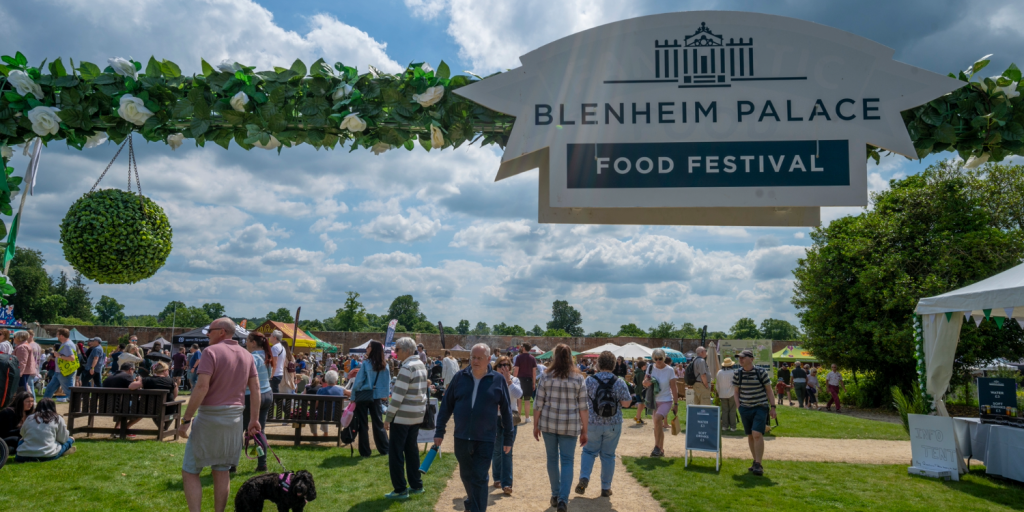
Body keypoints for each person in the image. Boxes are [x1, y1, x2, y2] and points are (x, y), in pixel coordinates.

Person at [177, 318, 261, 512]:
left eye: (210, 330)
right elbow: (255, 388)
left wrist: (186, 419)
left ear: (222, 332)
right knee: (222, 471)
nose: (207, 334)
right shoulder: (247, 355)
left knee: (190, 470)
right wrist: (254, 419)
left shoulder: (210, 352)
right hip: (234, 418)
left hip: (210, 416)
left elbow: (202, 386)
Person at [435, 344, 513, 512]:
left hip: (485, 438)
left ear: (488, 359)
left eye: (479, 358)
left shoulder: (498, 380)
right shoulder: (459, 378)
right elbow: (446, 406)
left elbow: (506, 411)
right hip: (462, 436)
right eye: (473, 357)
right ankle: (471, 503)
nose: (475, 361)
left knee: (480, 477)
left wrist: (508, 437)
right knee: (466, 476)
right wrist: (439, 430)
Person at [533, 344, 588, 512]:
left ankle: (555, 494)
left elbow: (538, 403)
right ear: (570, 356)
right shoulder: (579, 378)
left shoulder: (546, 376)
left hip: (549, 423)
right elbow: (583, 407)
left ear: (554, 356)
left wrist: (535, 425)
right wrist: (585, 430)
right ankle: (563, 499)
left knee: (552, 459)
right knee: (567, 461)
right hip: (570, 425)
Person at [575, 351, 631, 499]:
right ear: (613, 365)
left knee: (588, 452)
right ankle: (606, 487)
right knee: (608, 455)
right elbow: (626, 403)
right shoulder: (619, 381)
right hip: (613, 422)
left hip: (593, 422)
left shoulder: (590, 381)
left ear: (598, 364)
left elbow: (582, 402)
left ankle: (584, 477)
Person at [383, 338, 428, 500]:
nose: (395, 352)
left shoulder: (407, 367)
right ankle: (416, 484)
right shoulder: (421, 365)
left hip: (402, 417)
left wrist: (388, 418)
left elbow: (397, 397)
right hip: (416, 416)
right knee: (411, 451)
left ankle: (400, 489)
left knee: (396, 454)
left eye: (397, 349)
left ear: (407, 350)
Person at [732, 349, 776, 476]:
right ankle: (755, 461)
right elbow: (736, 391)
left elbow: (769, 390)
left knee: (757, 434)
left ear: (751, 359)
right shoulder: (737, 373)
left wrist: (773, 407)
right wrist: (739, 406)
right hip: (745, 408)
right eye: (739, 358)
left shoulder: (760, 372)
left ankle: (758, 463)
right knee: (751, 435)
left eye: (743, 357)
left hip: (760, 406)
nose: (740, 360)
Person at [241, 332, 275, 470]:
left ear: (253, 342)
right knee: (260, 431)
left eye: (247, 341)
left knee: (239, 430)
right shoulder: (267, 357)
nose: (246, 344)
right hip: (267, 394)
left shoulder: (252, 358)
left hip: (252, 396)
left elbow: (244, 379)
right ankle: (262, 464)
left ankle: (230, 465)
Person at [352, 340, 391, 457]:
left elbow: (358, 382)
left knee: (363, 424)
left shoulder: (366, 363)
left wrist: (353, 396)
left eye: (368, 347)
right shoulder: (385, 365)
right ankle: (385, 449)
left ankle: (365, 451)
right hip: (377, 397)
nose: (367, 349)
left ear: (373, 349)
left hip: (364, 395)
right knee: (378, 423)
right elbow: (387, 383)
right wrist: (384, 396)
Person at [492, 355, 522, 495]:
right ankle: (497, 477)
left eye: (506, 365)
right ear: (495, 368)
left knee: (507, 451)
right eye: (500, 365)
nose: (504, 368)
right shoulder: (491, 379)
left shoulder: (515, 380)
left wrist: (509, 381)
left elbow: (519, 395)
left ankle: (507, 483)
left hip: (510, 418)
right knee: (497, 450)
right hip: (495, 418)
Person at [14, 398, 75, 462]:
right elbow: (63, 439)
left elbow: (22, 434)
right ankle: (62, 450)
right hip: (46, 455)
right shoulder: (58, 418)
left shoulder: (30, 417)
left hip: (22, 456)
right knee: (70, 439)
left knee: (21, 441)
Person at [643, 348, 678, 457]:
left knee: (658, 419)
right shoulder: (650, 368)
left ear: (664, 358)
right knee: (657, 424)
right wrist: (647, 382)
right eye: (656, 359)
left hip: (666, 400)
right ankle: (660, 449)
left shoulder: (669, 370)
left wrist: (676, 404)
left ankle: (657, 447)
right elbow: (644, 383)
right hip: (654, 400)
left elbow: (673, 387)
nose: (658, 361)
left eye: (660, 358)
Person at [43, 328, 78, 402]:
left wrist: (58, 356)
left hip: (64, 372)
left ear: (61, 336)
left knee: (69, 391)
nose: (56, 336)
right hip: (60, 372)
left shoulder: (67, 345)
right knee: (50, 388)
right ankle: (44, 406)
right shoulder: (66, 343)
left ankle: (75, 408)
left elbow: (72, 358)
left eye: (57, 334)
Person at [513, 342, 538, 422]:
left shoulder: (519, 357)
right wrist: (534, 383)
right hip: (528, 380)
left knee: (519, 400)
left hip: (519, 380)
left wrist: (513, 380)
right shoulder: (532, 358)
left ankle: (519, 417)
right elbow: (534, 373)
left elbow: (516, 370)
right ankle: (527, 418)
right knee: (527, 400)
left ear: (523, 348)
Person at [716, 358, 738, 431]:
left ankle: (724, 426)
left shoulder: (719, 372)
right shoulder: (734, 372)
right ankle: (733, 427)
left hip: (722, 394)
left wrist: (719, 393)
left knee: (725, 410)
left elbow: (717, 385)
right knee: (732, 410)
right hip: (732, 393)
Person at [632, 360, 648, 424]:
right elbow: (642, 384)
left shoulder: (638, 372)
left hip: (638, 390)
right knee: (641, 404)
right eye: (645, 365)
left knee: (642, 404)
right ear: (642, 366)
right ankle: (638, 418)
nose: (646, 366)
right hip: (640, 391)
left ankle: (637, 417)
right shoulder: (641, 373)